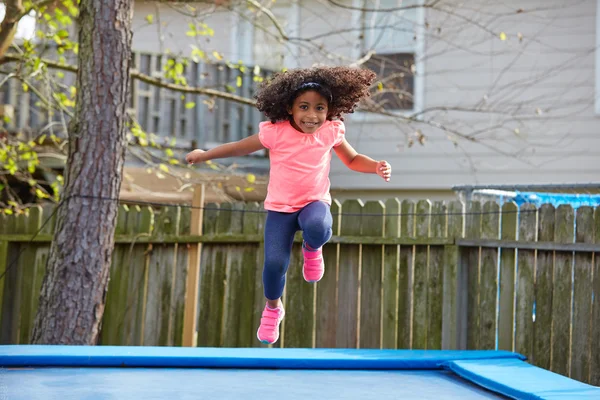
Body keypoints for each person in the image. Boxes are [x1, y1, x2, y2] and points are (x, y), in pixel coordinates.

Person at [185, 66, 392, 344]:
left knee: (318, 226)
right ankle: (273, 308)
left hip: (313, 202)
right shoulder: (276, 133)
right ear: (290, 108)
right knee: (273, 264)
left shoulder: (331, 131)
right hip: (280, 210)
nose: (312, 115)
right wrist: (205, 155)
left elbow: (353, 160)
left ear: (329, 110)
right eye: (304, 107)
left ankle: (311, 248)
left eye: (320, 108)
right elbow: (240, 147)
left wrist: (376, 167)